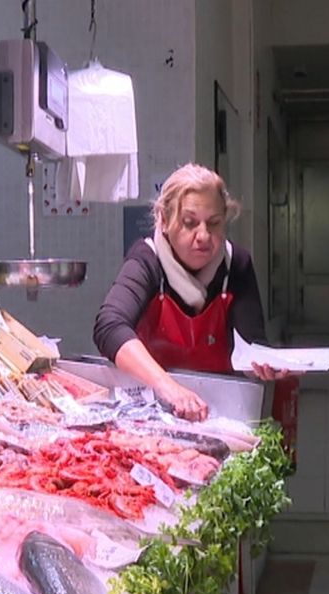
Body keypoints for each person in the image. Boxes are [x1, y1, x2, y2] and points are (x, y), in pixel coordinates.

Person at [93, 163, 282, 421]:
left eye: (214, 223)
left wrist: (268, 364)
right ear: (164, 220)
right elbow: (109, 326)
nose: (203, 235)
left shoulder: (236, 264)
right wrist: (167, 386)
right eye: (190, 223)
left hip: (219, 414)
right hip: (151, 412)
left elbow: (252, 346)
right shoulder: (147, 259)